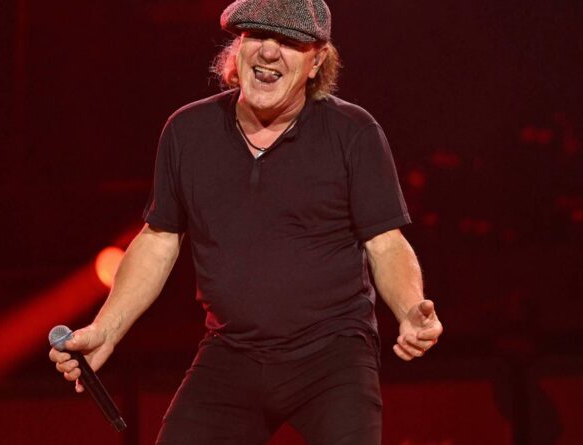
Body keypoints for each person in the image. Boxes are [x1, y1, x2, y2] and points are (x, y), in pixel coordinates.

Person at [50, 0, 443, 443]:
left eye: (289, 41)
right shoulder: (188, 131)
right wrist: (105, 330)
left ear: (316, 62)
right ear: (237, 49)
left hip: (332, 357)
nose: (268, 52)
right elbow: (159, 239)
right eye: (256, 36)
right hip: (231, 353)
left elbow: (385, 242)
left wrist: (410, 310)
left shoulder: (353, 132)